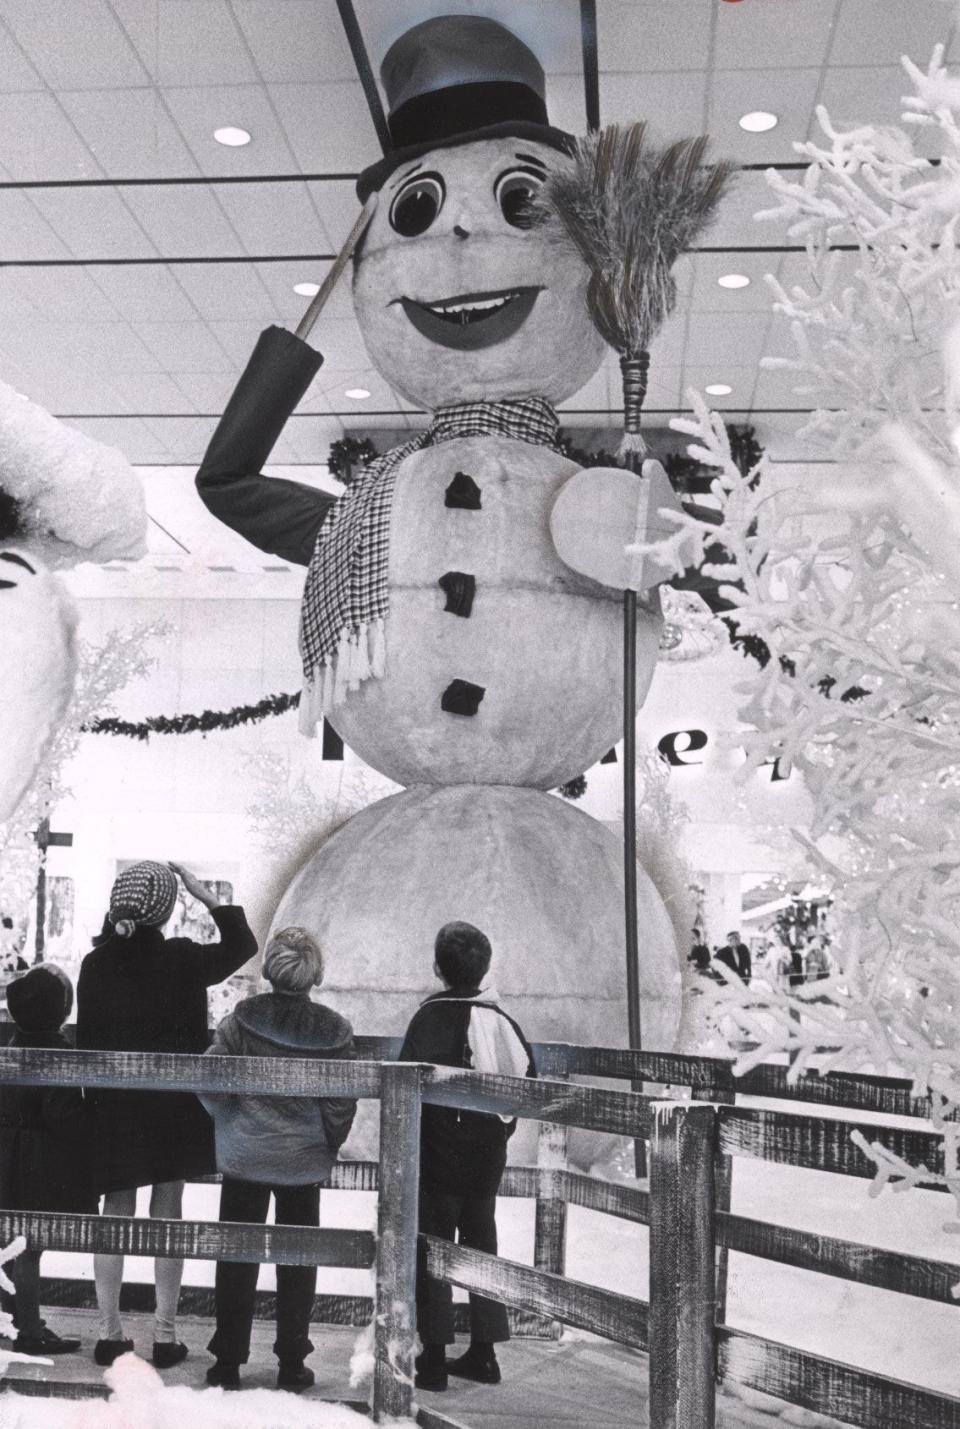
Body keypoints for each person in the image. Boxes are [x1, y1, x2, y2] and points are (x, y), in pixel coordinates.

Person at [75, 860, 256, 1369]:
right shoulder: (181, 958)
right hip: (174, 1108)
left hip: (114, 1108)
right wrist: (208, 897)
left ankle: (110, 1335)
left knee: (115, 1213)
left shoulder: (96, 963)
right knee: (168, 1213)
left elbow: (86, 1043)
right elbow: (243, 947)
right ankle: (165, 1335)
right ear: (166, 907)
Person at [201, 926, 357, 1392]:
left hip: (245, 1154)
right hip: (303, 1161)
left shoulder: (241, 1020)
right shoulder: (334, 1030)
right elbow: (341, 1101)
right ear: (314, 973)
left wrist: (230, 1120)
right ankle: (292, 1362)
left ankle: (227, 1362)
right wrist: (327, 1140)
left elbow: (209, 1079)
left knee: (235, 1258)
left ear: (271, 969)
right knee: (297, 1260)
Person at [399, 921, 535, 1393]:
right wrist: (500, 1131)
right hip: (484, 1159)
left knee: (432, 1249)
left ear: (438, 968)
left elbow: (405, 1085)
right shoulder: (499, 1019)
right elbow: (525, 1081)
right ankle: (485, 1351)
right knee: (481, 1244)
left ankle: (433, 1359)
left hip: (436, 1157)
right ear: (485, 968)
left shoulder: (427, 1017)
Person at [0, 965, 96, 1355]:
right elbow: (64, 1117)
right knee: (29, 1246)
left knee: (13, 1242)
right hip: (39, 1163)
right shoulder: (59, 1054)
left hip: (7, 1156)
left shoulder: (9, 1047)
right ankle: (28, 1329)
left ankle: (20, 1319)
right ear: (62, 1010)